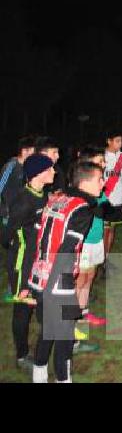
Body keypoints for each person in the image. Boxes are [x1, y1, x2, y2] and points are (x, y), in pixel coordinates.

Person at [29, 162, 103, 383]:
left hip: (38, 275)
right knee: (64, 337)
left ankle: (39, 374)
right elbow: (66, 250)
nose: (102, 184)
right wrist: (61, 289)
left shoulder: (57, 198)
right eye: (99, 179)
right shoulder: (82, 210)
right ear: (86, 182)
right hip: (58, 280)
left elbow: (38, 233)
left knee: (48, 329)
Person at [2, 154, 54, 371]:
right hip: (22, 264)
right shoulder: (23, 201)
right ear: (38, 173)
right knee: (23, 309)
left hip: (38, 261)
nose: (54, 172)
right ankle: (22, 355)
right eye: (50, 169)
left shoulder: (43, 196)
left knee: (40, 304)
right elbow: (5, 235)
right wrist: (20, 247)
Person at [73, 146, 110, 343]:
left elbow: (105, 210)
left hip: (96, 239)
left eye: (103, 161)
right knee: (80, 281)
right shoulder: (82, 191)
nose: (103, 164)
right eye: (99, 161)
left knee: (89, 278)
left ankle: (83, 313)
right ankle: (73, 325)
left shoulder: (99, 186)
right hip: (84, 242)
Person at [1, 136, 37, 302]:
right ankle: (11, 286)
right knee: (12, 251)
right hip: (10, 216)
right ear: (24, 151)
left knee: (22, 250)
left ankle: (22, 283)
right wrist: (5, 210)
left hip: (23, 215)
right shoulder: (11, 166)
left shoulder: (27, 168)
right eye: (33, 152)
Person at [102, 130, 122, 257]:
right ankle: (100, 258)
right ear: (109, 141)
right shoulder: (102, 156)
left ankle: (107, 256)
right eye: (117, 141)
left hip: (118, 198)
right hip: (105, 197)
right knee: (104, 230)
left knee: (112, 229)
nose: (121, 144)